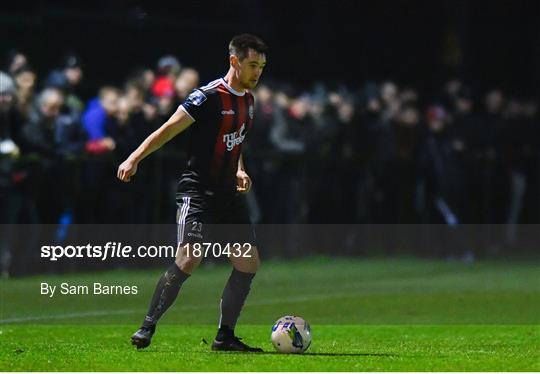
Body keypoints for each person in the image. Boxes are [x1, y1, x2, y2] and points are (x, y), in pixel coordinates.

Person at [117, 34, 267, 352]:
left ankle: (224, 337)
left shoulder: (248, 101)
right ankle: (146, 327)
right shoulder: (207, 97)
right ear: (234, 61)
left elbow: (234, 139)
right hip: (197, 192)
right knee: (188, 258)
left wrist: (239, 169)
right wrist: (134, 158)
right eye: (252, 64)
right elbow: (167, 130)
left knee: (247, 262)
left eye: (261, 66)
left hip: (228, 194)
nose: (257, 72)